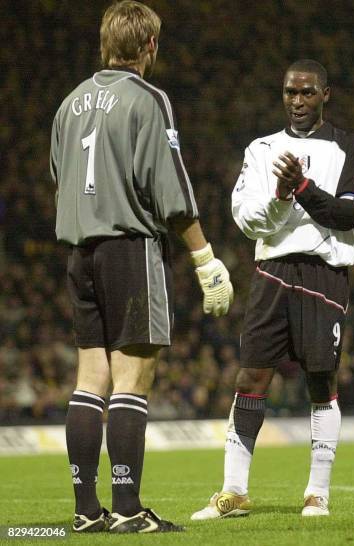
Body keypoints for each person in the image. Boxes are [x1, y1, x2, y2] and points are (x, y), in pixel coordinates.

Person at [50, 1, 233, 533]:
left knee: (91, 378)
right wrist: (205, 259)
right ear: (150, 45)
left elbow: (60, 184)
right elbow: (172, 190)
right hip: (130, 249)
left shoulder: (69, 104)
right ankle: (128, 510)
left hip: (79, 252)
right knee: (132, 378)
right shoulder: (148, 99)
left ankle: (87, 513)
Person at [191, 59, 354, 520]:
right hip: (271, 272)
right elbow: (247, 219)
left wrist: (303, 186)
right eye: (291, 92)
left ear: (325, 95)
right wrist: (281, 197)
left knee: (320, 382)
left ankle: (317, 493)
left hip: (323, 276)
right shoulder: (261, 149)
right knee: (250, 378)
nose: (298, 101)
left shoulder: (350, 148)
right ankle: (233, 491)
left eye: (308, 93)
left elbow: (347, 215)